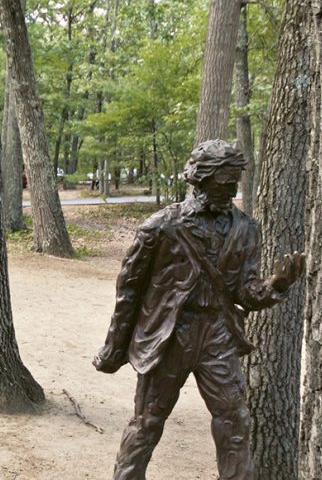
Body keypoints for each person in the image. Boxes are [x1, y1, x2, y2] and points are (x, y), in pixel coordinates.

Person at [93, 140, 304, 480]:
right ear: (201, 178)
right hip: (170, 335)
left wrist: (275, 286)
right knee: (148, 420)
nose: (231, 188)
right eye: (225, 181)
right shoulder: (160, 226)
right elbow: (128, 290)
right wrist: (115, 346)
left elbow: (245, 292)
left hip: (218, 335)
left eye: (235, 181)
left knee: (235, 420)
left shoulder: (246, 229)